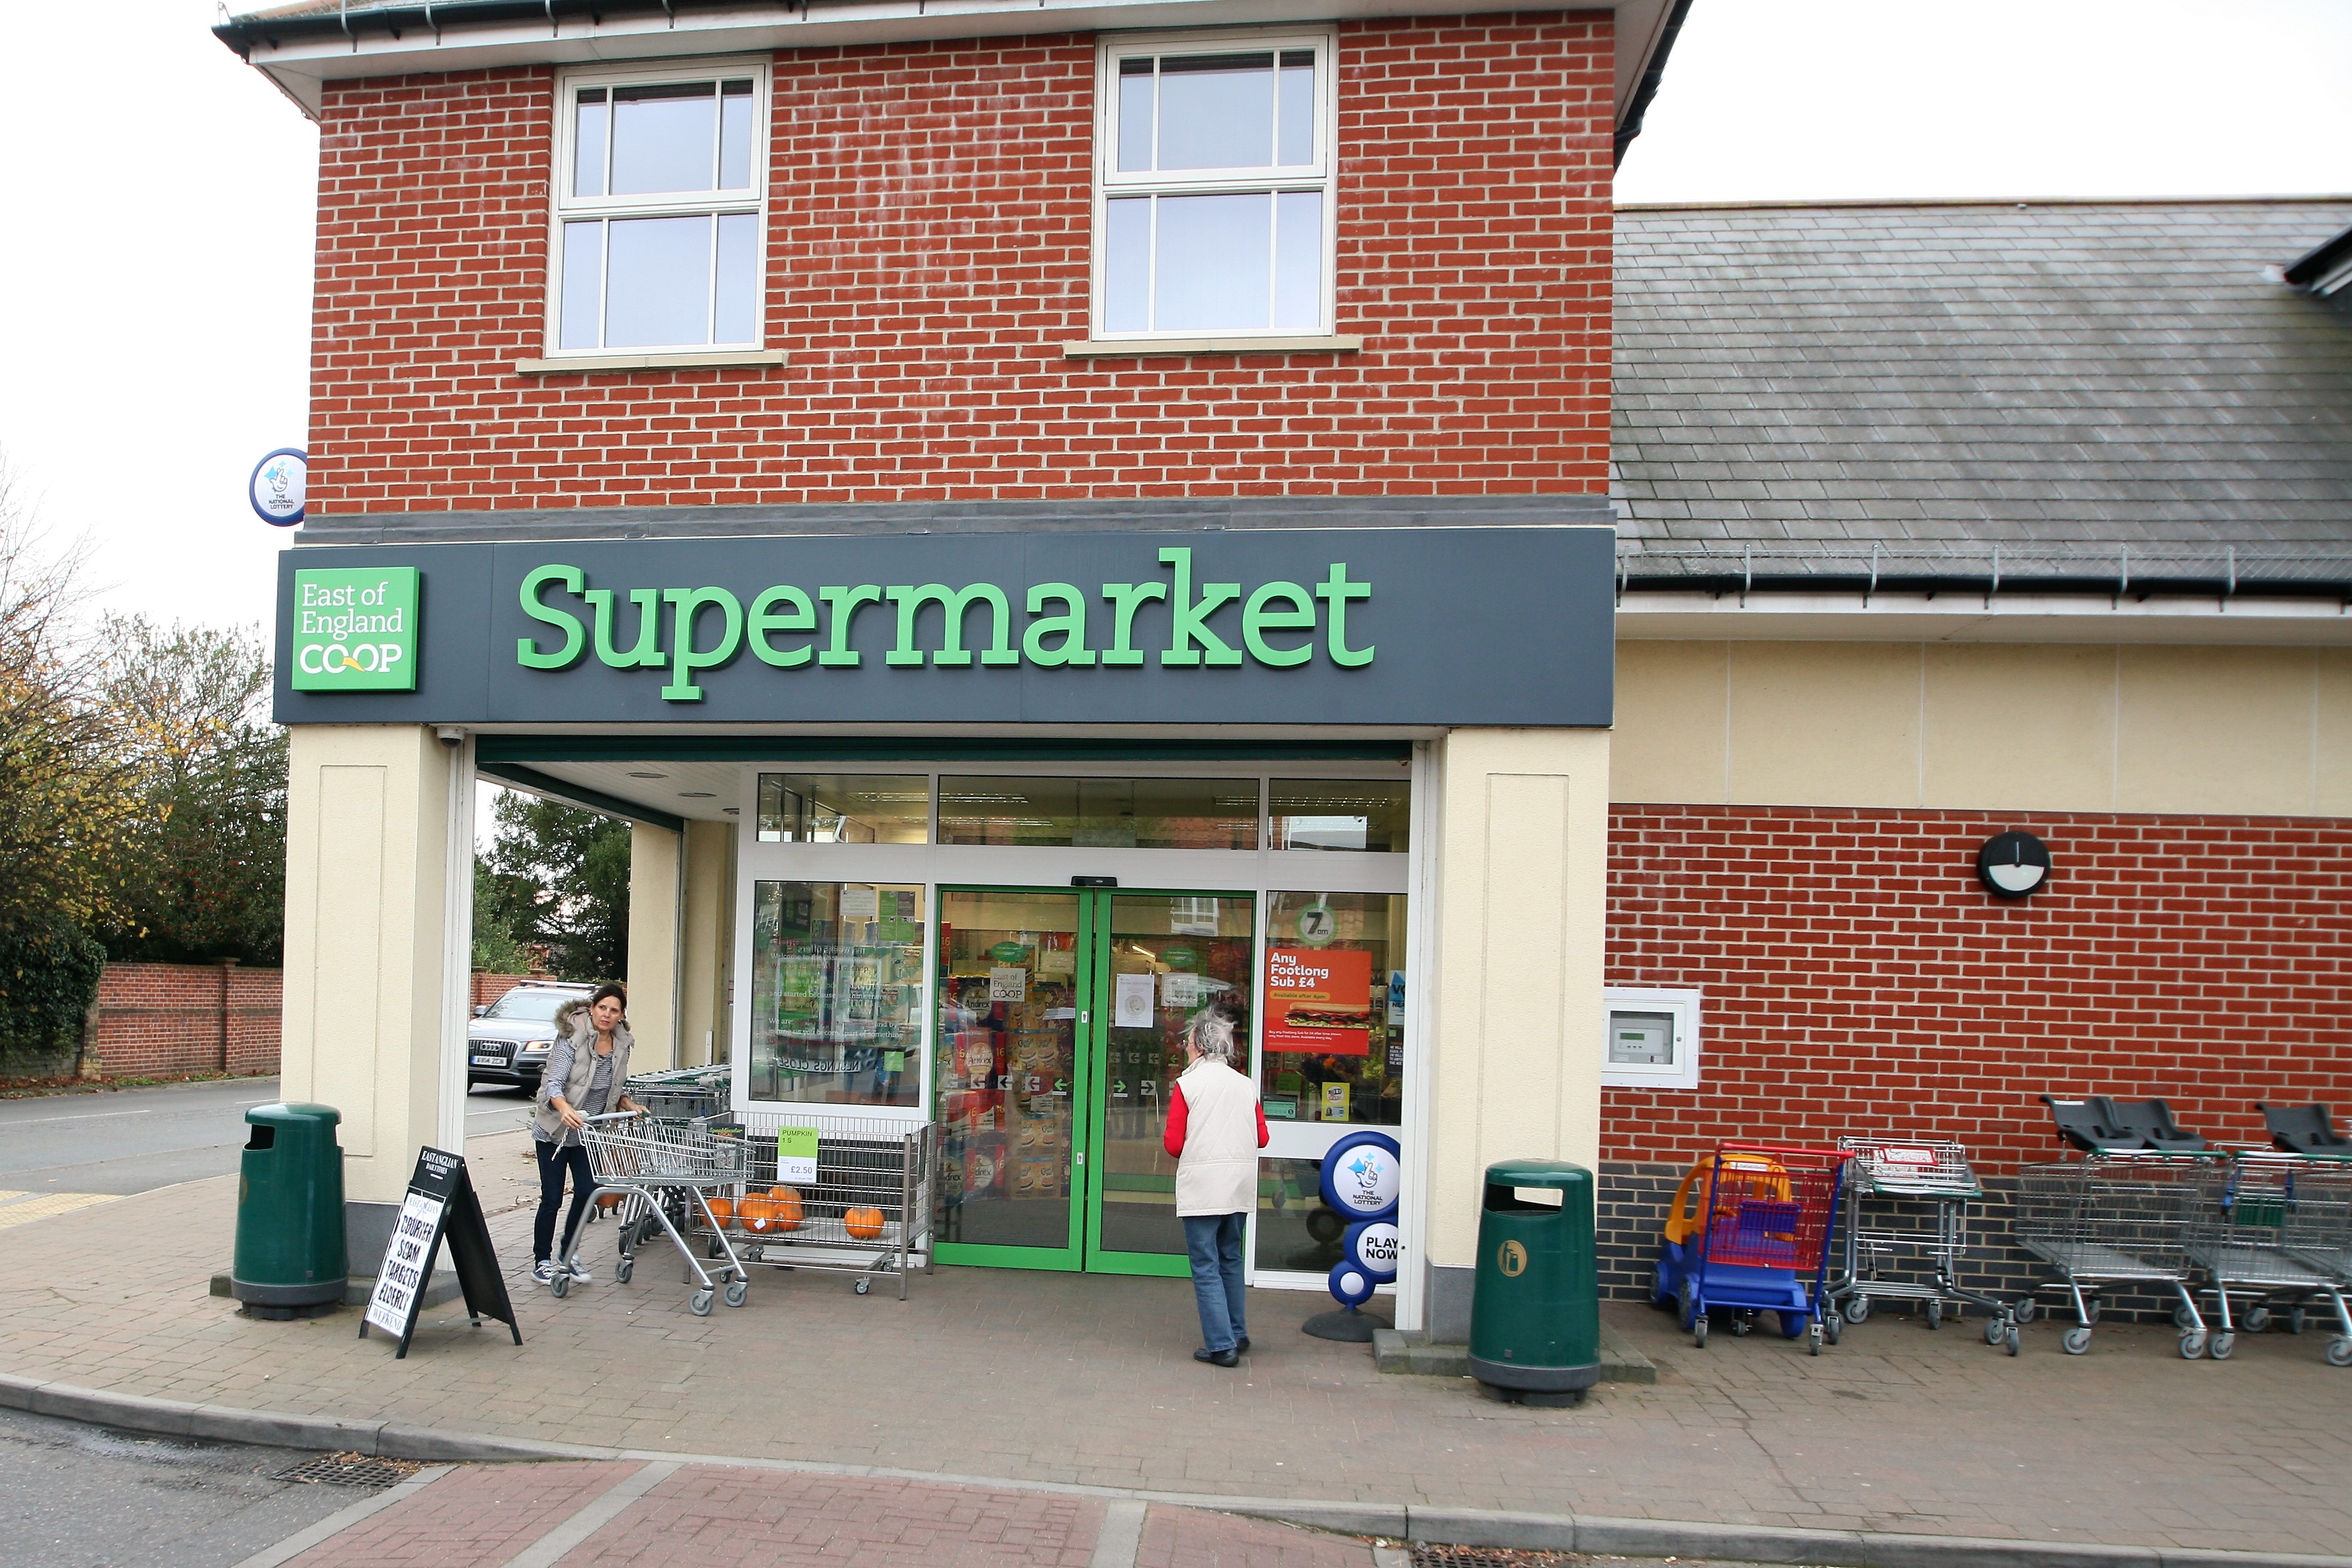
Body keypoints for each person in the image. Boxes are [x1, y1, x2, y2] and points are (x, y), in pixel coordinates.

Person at [1162, 1003, 1270, 1367]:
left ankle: (1222, 1345)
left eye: (1189, 1041)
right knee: (1231, 1259)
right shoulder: (1245, 1084)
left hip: (1203, 1188)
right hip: (1237, 1186)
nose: (1185, 1046)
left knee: (1205, 1264)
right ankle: (1238, 1333)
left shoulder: (1187, 1085)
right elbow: (1263, 1137)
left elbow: (1174, 1144)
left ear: (1200, 1045)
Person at [531, 983, 642, 1287]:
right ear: (592, 1008)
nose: (606, 1014)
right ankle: (542, 1260)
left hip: (588, 1134)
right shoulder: (572, 1037)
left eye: (614, 1010)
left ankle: (569, 1254)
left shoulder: (621, 1045)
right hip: (554, 1131)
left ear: (621, 1016)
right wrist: (564, 1108)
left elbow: (612, 1085)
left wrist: (627, 1102)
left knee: (586, 1192)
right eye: (602, 1007)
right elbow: (554, 1082)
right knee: (552, 1198)